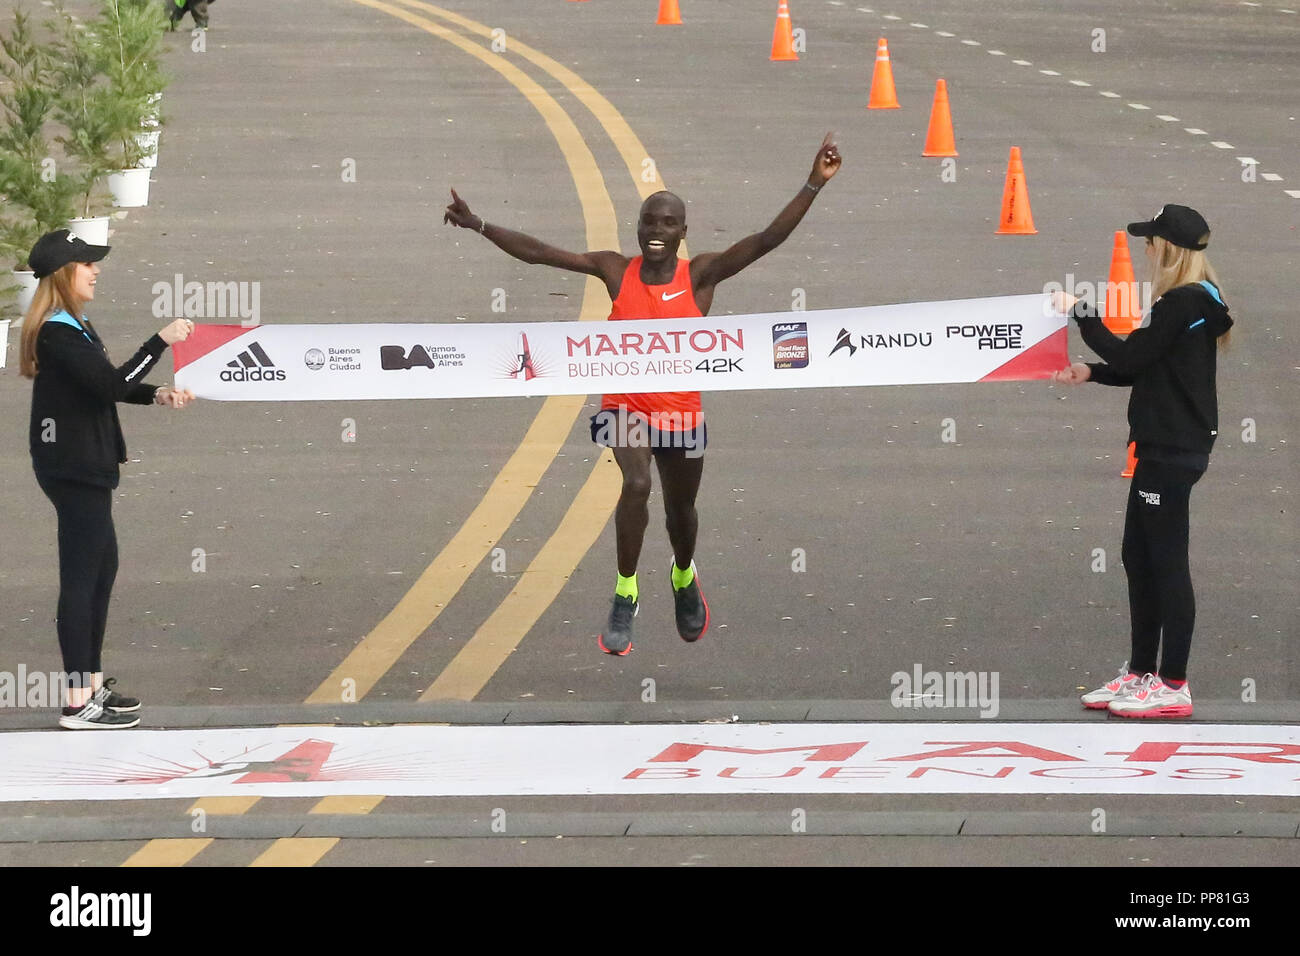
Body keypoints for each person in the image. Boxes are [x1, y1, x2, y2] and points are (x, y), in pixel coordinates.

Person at [444, 134, 841, 655]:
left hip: (681, 415)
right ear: (638, 227)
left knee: (682, 512)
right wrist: (479, 226)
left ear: (683, 232)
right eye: (649, 221)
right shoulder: (615, 268)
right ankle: (625, 592)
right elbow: (541, 254)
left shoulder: (700, 275)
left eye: (668, 222)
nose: (656, 230)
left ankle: (682, 575)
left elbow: (767, 239)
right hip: (624, 410)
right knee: (635, 484)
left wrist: (814, 182)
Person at [1052, 204, 1232, 718]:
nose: (1145, 250)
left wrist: (1080, 311)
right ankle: (1139, 673)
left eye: (1150, 243)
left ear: (1166, 250)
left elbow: (1131, 357)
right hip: (1165, 445)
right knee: (1138, 555)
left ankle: (1173, 683)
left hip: (1174, 450)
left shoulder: (1180, 303)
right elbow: (1144, 367)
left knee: (1166, 561)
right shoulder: (1194, 301)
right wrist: (1091, 372)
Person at [18, 229, 196, 729]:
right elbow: (111, 385)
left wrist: (157, 393)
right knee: (81, 578)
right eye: (87, 264)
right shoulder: (58, 332)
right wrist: (160, 341)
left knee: (100, 569)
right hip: (72, 467)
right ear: (63, 274)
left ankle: (91, 684)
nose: (96, 270)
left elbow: (103, 389)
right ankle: (78, 699)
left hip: (83, 464)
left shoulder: (72, 324)